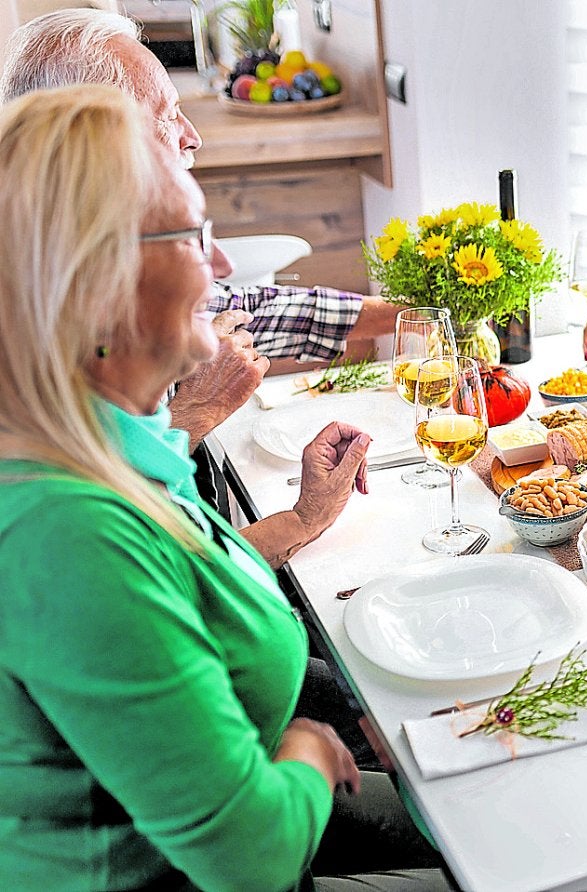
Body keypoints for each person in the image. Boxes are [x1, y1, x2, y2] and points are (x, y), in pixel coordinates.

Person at [0, 84, 447, 890]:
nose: (225, 264)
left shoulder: (109, 446)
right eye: (194, 234)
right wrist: (307, 745)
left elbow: (173, 590)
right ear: (98, 280)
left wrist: (304, 517)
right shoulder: (65, 529)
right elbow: (252, 856)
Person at [0, 8, 402, 446]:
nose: (192, 136)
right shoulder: (35, 320)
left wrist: (404, 314)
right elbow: (99, 503)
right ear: (97, 131)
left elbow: (238, 310)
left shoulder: (95, 243)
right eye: (168, 114)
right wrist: (197, 409)